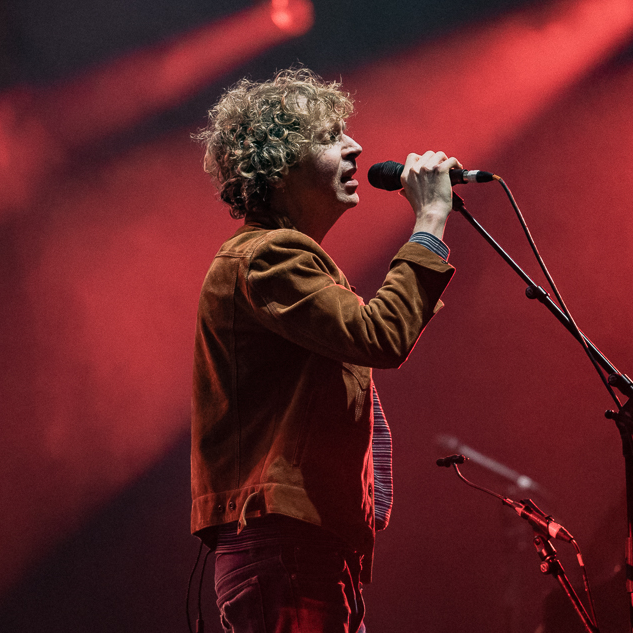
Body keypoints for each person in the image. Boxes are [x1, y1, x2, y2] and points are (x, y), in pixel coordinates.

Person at [191, 67, 460, 633]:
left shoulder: (293, 260)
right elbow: (381, 335)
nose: (356, 146)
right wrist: (431, 220)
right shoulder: (266, 256)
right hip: (286, 548)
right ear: (279, 164)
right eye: (331, 135)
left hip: (307, 548)